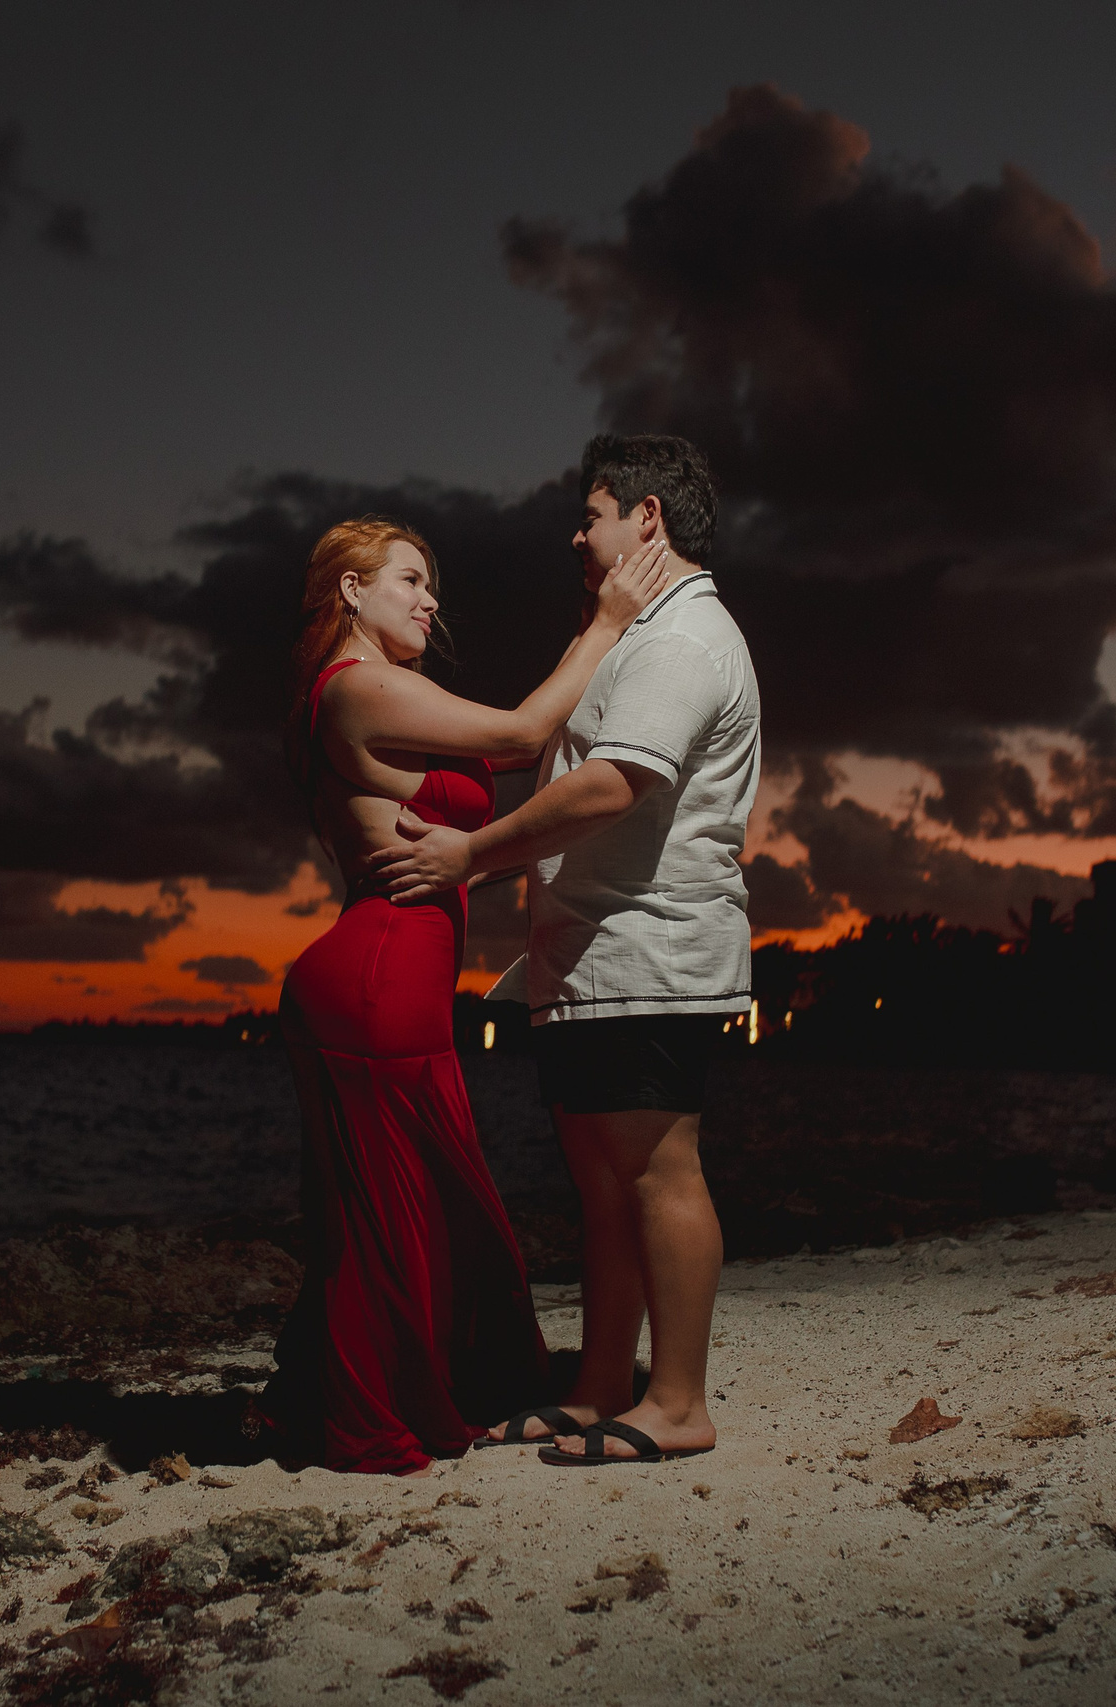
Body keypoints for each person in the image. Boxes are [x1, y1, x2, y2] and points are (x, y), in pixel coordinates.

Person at [253, 514, 665, 1476]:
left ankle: (342, 1392)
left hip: (398, 981)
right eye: (408, 578)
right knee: (389, 1216)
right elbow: (524, 733)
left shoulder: (393, 690)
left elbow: (459, 829)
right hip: (372, 983)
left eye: (431, 583)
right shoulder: (355, 690)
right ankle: (361, 1411)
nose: (431, 598)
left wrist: (475, 861)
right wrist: (607, 622)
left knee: (412, 1210)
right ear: (350, 591)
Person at [373, 434, 756, 1467]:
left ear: (648, 521)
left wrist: (472, 856)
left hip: (650, 946)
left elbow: (612, 784)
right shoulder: (639, 634)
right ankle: (598, 1385)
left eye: (591, 514)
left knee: (656, 1171)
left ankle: (676, 1401)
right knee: (600, 1181)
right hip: (595, 953)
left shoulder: (684, 640)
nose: (575, 533)